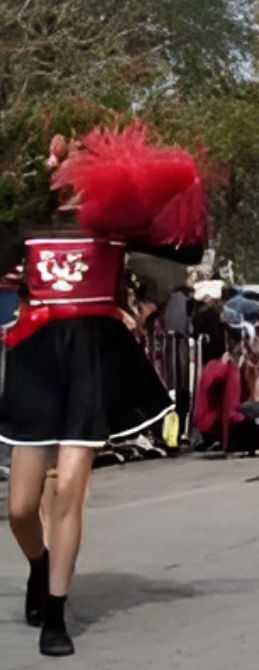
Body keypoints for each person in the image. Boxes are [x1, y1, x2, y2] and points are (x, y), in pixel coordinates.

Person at [0, 123, 206, 657]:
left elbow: (189, 248)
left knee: (69, 489)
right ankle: (40, 567)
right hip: (36, 362)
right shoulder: (25, 230)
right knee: (21, 506)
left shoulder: (115, 232)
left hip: (91, 362)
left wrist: (182, 185)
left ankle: (57, 614)